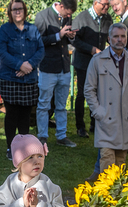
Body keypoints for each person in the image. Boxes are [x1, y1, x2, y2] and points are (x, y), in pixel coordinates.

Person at [84, 23, 128, 175]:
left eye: (123, 36)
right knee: (107, 161)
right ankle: (106, 195)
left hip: (125, 120)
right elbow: (89, 89)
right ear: (109, 38)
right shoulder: (97, 60)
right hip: (106, 119)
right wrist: (98, 111)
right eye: (116, 36)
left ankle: (116, 196)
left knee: (121, 161)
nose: (119, 40)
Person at [0, 0, 44, 160]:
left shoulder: (33, 29)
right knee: (11, 114)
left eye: (20, 9)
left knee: (25, 115)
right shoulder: (4, 30)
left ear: (25, 11)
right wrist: (19, 65)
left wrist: (28, 65)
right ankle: (10, 148)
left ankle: (23, 148)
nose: (17, 12)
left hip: (28, 78)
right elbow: (1, 52)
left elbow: (41, 49)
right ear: (10, 12)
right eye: (14, 9)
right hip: (9, 78)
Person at [35, 0, 78, 147]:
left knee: (61, 105)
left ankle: (61, 136)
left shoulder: (67, 15)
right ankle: (42, 136)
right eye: (67, 13)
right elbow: (38, 40)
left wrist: (70, 36)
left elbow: (66, 39)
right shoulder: (42, 16)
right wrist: (58, 35)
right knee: (43, 104)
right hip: (48, 67)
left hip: (64, 67)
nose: (68, 16)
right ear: (60, 5)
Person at [72, 0, 113, 138]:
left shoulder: (107, 18)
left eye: (108, 4)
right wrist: (91, 49)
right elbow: (74, 40)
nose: (107, 7)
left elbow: (110, 38)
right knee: (83, 94)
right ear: (96, 2)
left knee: (99, 94)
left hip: (100, 63)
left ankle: (95, 124)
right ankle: (80, 127)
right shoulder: (81, 18)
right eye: (104, 4)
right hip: (83, 62)